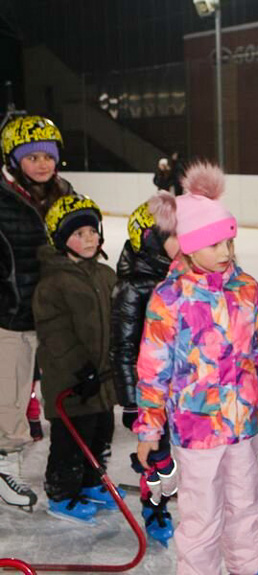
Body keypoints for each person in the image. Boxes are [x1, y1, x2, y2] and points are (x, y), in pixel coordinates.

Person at [134, 162, 258, 575]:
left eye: (228, 242)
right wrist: (149, 428)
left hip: (242, 423)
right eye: (213, 244)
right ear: (187, 245)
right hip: (196, 428)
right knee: (201, 518)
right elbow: (153, 370)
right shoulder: (168, 298)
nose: (225, 252)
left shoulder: (247, 289)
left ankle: (250, 567)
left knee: (245, 506)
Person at [0, 114, 73, 511]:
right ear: (13, 160)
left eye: (49, 155)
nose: (43, 164)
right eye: (32, 157)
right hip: (11, 314)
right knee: (9, 396)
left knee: (54, 391)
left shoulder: (64, 195)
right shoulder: (2, 198)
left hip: (56, 314)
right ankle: (4, 464)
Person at [33, 195, 119, 523]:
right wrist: (79, 369)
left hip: (102, 379)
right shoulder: (53, 283)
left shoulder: (105, 275)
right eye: (78, 234)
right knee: (72, 438)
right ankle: (62, 492)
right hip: (70, 381)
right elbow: (55, 335)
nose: (88, 239)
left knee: (101, 430)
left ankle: (91, 482)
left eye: (92, 232)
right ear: (60, 238)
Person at [110, 196, 180, 545]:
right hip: (149, 392)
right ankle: (155, 506)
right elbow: (122, 349)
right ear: (152, 240)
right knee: (156, 454)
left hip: (183, 388)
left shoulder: (183, 276)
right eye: (174, 235)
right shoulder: (133, 286)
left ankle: (171, 490)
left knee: (176, 452)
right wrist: (131, 402)